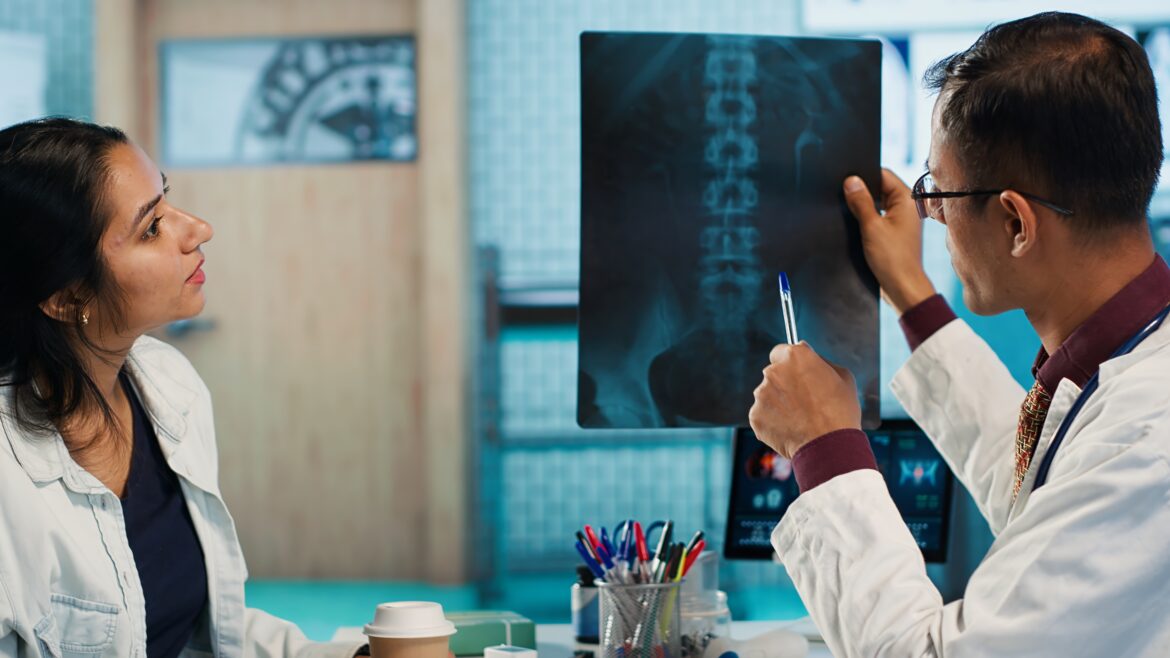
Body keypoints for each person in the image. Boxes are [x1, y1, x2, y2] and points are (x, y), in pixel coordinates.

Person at [749, 12, 1170, 657]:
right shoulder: (1135, 362)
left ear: (1016, 223)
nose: (930, 212)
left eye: (939, 189)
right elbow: (1042, 494)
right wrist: (911, 294)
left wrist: (824, 448)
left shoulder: (1147, 438)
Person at [0, 118, 367, 657]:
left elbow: (196, 627)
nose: (197, 228)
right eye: (152, 228)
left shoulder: (169, 386)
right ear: (68, 295)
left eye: (166, 200)